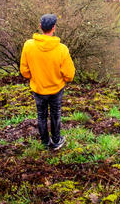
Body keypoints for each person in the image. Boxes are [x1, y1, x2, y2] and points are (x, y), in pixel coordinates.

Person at [20, 13, 75, 150]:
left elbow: (24, 71)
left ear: (40, 27)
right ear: (54, 28)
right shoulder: (62, 49)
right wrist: (62, 79)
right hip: (56, 89)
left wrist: (34, 77)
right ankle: (56, 141)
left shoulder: (28, 45)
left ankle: (45, 142)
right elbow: (70, 75)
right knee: (56, 114)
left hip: (38, 88)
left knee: (41, 115)